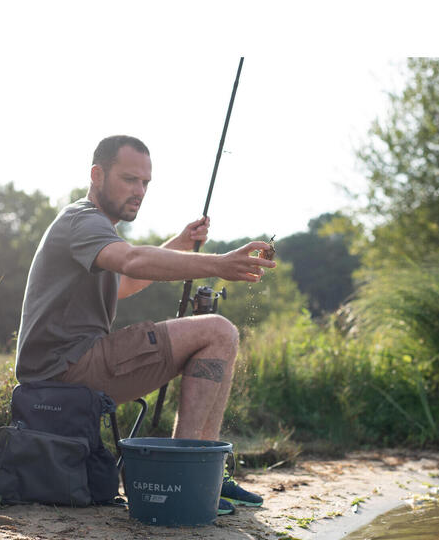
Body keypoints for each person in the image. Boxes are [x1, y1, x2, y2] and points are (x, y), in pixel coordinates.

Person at [15, 135, 275, 514]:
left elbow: (122, 284)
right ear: (97, 174)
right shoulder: (82, 220)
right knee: (217, 331)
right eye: (129, 179)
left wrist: (181, 243)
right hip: (67, 367)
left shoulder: (93, 228)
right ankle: (188, 479)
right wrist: (219, 264)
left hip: (65, 368)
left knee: (220, 334)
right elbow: (134, 261)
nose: (139, 191)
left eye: (145, 183)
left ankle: (210, 476)